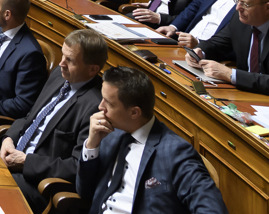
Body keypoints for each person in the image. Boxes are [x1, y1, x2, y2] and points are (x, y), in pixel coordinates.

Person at [78, 66, 226, 214]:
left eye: (108, 103)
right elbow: (85, 192)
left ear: (134, 112)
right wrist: (92, 145)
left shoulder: (176, 152)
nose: (100, 106)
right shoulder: (109, 132)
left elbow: (212, 210)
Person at [0, 29, 108, 208]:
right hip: (12, 154)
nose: (61, 63)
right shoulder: (60, 75)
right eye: (63, 55)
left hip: (37, 182)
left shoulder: (95, 107)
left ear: (93, 69)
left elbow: (76, 166)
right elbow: (30, 118)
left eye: (70, 60)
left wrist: (26, 162)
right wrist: (8, 139)